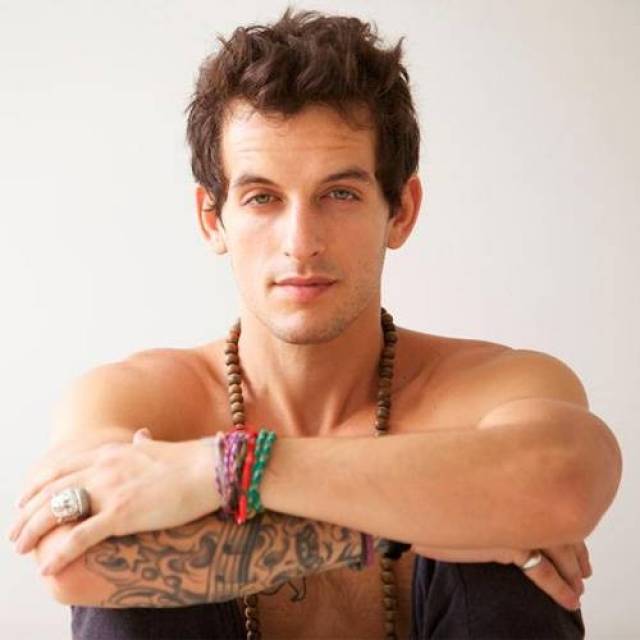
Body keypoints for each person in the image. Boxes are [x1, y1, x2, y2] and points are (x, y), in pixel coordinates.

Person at [9, 8, 622, 640]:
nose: (300, 242)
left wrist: (221, 471)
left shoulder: (489, 387)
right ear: (213, 219)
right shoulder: (139, 400)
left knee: (499, 544)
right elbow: (71, 564)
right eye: (262, 198)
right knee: (483, 507)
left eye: (340, 194)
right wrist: (411, 526)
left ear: (401, 211)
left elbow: (568, 482)